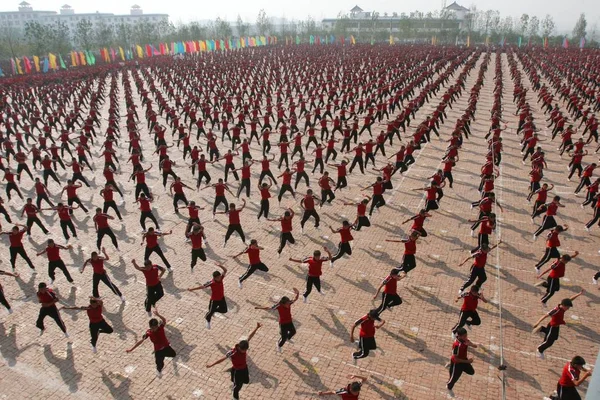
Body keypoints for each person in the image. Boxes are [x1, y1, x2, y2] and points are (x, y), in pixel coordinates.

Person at [206, 322, 262, 400]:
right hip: (237, 371)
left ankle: (233, 377)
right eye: (244, 350)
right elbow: (222, 359)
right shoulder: (232, 352)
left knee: (246, 381)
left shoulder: (244, 344)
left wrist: (257, 328)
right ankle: (235, 397)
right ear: (239, 348)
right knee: (237, 386)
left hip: (244, 368)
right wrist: (211, 365)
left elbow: (250, 336)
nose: (245, 351)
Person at [533, 290, 584, 359]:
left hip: (556, 327)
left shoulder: (563, 307)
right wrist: (537, 322)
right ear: (563, 305)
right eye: (567, 307)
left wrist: (579, 294)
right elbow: (546, 315)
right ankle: (539, 349)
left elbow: (570, 299)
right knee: (549, 342)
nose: (568, 309)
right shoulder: (556, 310)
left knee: (552, 339)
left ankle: (542, 329)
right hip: (552, 326)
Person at [126, 309, 176, 378]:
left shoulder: (160, 328)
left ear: (157, 326)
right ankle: (158, 371)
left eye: (155, 327)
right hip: (158, 350)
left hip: (166, 346)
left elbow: (164, 320)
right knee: (160, 365)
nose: (154, 329)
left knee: (173, 354)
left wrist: (158, 315)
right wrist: (131, 349)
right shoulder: (148, 333)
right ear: (150, 327)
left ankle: (162, 355)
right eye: (153, 328)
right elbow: (140, 341)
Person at [255, 288, 299, 352]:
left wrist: (297, 293)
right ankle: (278, 345)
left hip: (289, 321)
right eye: (287, 304)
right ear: (283, 303)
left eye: (288, 303)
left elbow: (295, 299)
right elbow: (269, 308)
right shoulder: (279, 305)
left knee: (293, 332)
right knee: (283, 339)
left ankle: (287, 337)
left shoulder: (289, 303)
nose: (288, 305)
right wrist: (259, 307)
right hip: (283, 323)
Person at [187, 264, 228, 329]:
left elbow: (225, 270)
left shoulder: (221, 278)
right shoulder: (212, 282)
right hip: (214, 300)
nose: (219, 278)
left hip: (222, 298)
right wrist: (192, 289)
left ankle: (213, 311)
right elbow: (202, 287)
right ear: (214, 278)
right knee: (209, 313)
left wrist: (220, 265)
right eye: (218, 278)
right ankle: (207, 320)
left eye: (220, 277)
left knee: (224, 310)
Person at [446, 327, 477, 397]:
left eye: (466, 335)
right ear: (459, 336)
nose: (466, 337)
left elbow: (475, 346)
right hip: (457, 363)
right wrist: (467, 361)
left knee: (471, 372)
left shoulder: (465, 340)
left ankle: (454, 370)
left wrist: (471, 344)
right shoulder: (456, 345)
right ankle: (448, 387)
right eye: (464, 336)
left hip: (464, 360)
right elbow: (456, 359)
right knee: (453, 379)